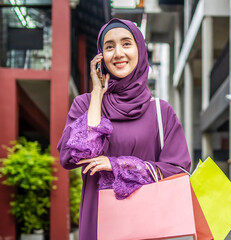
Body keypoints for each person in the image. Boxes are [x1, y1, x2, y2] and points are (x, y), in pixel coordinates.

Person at [57, 18, 191, 240]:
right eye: (109, 46)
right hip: (99, 225)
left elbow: (178, 171)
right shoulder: (85, 104)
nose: (118, 53)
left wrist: (117, 165)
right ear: (101, 57)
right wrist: (98, 94)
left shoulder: (161, 111)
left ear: (140, 50)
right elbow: (75, 155)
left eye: (126, 44)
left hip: (150, 226)